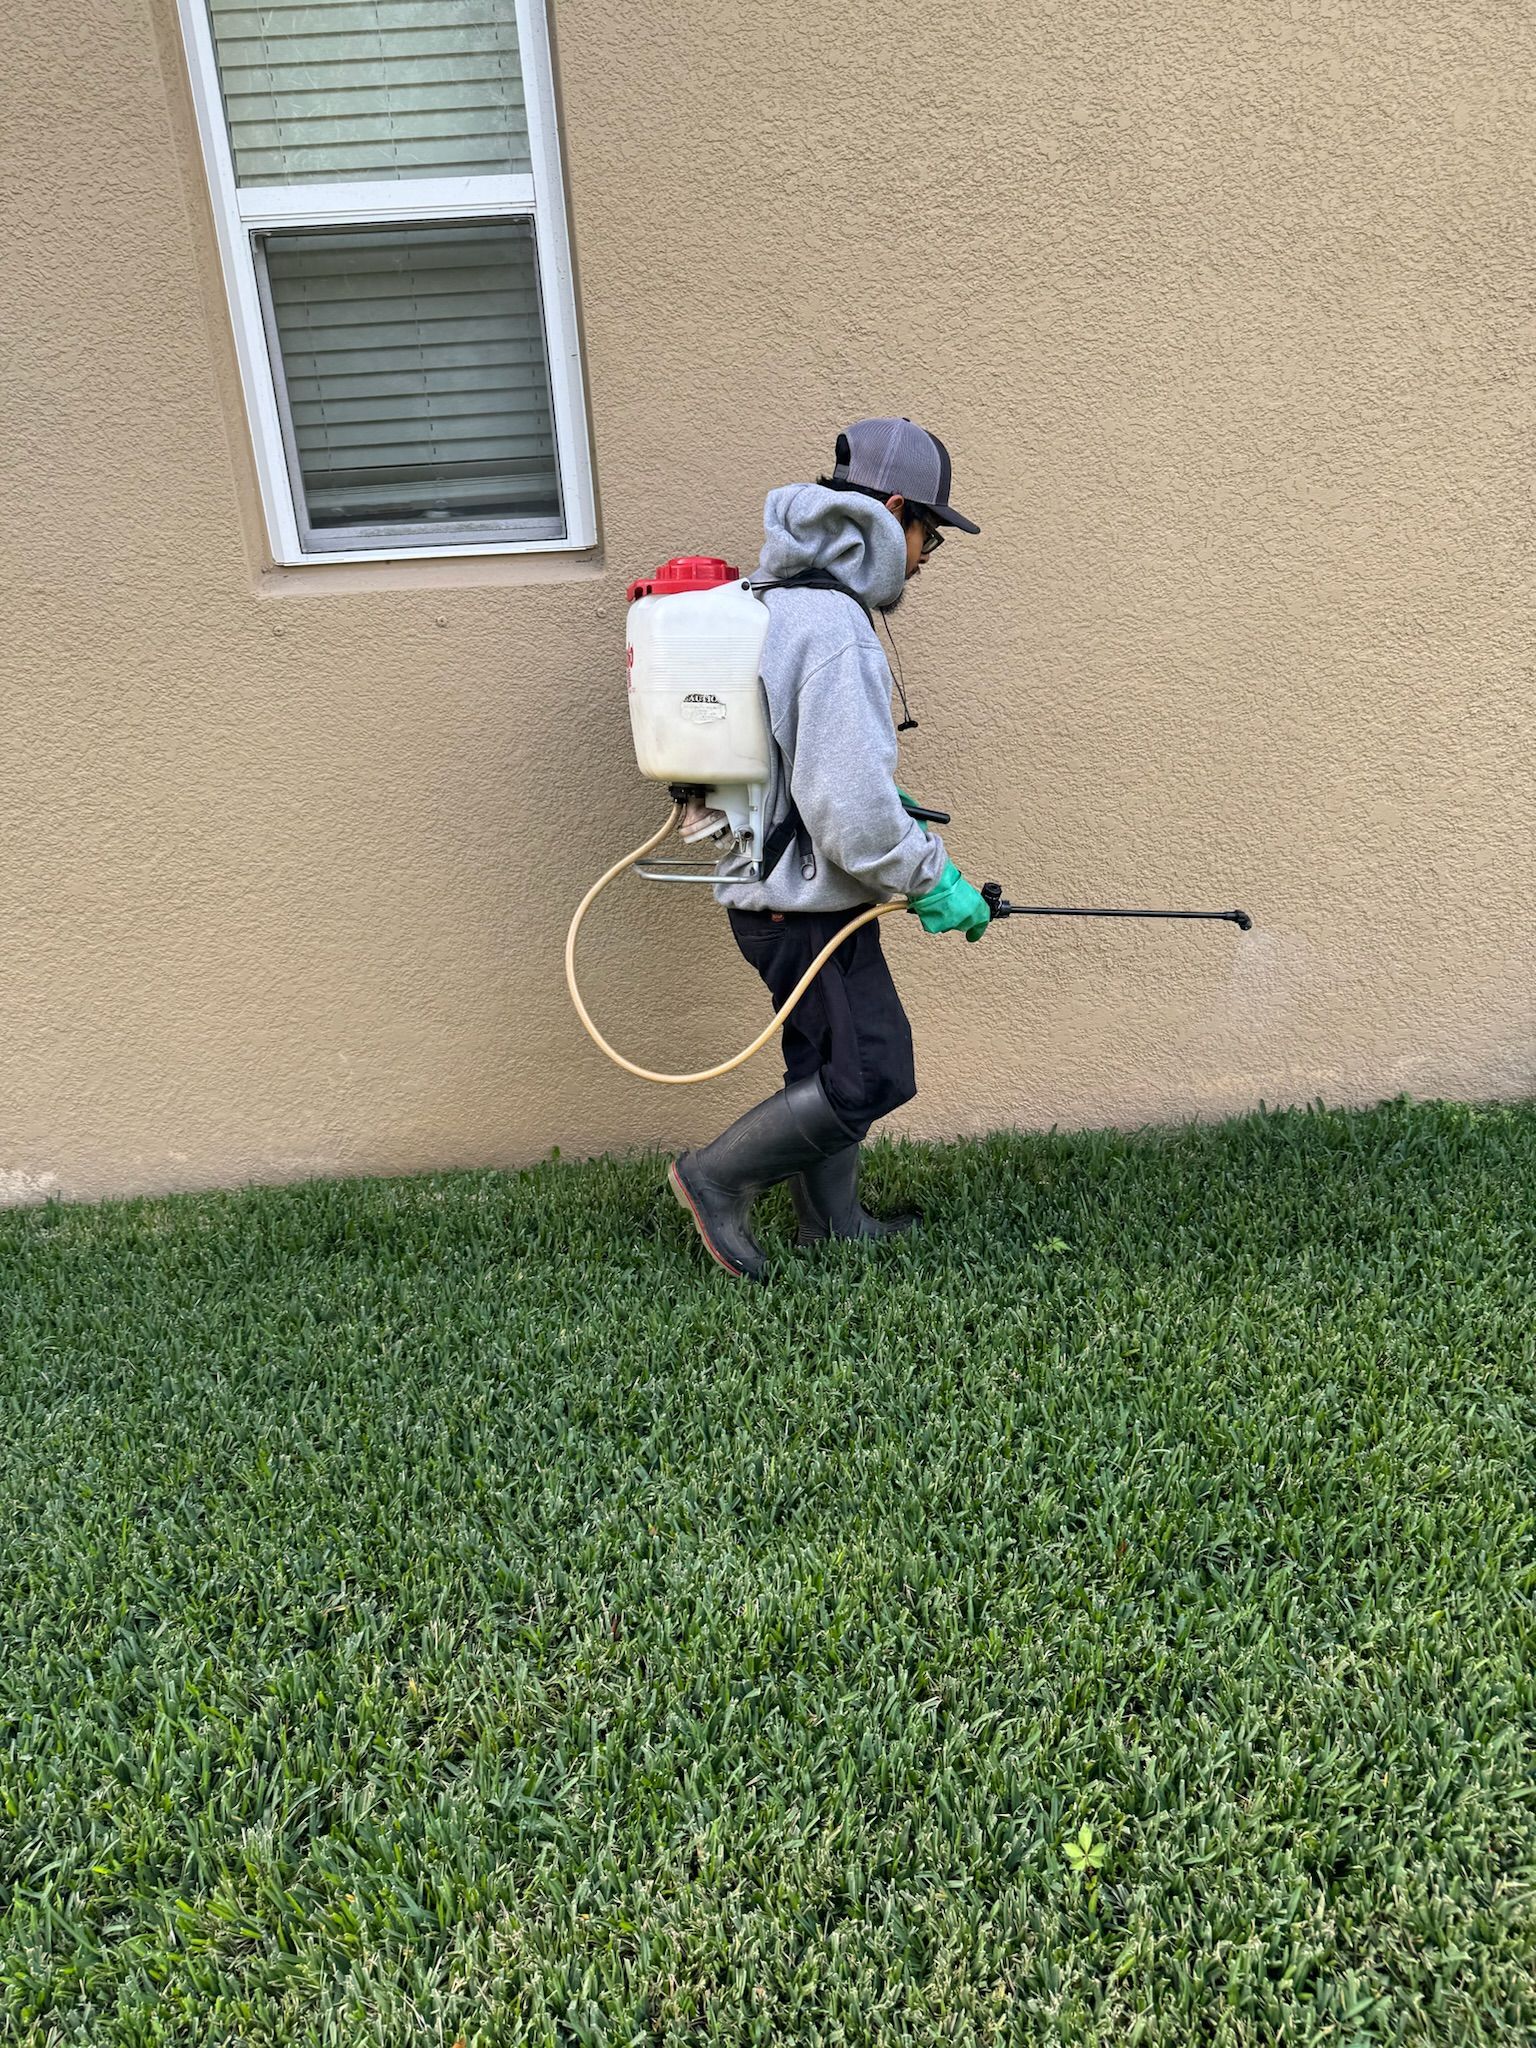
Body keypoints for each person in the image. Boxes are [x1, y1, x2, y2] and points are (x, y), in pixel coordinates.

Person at [668, 417, 992, 1279]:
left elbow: (807, 769)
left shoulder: (782, 602)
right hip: (800, 903)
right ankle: (714, 1181)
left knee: (825, 1060)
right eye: (930, 536)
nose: (924, 559)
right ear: (894, 513)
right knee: (871, 1073)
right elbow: (848, 814)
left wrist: (886, 806)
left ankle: (833, 1222)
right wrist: (934, 879)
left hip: (789, 898)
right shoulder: (835, 626)